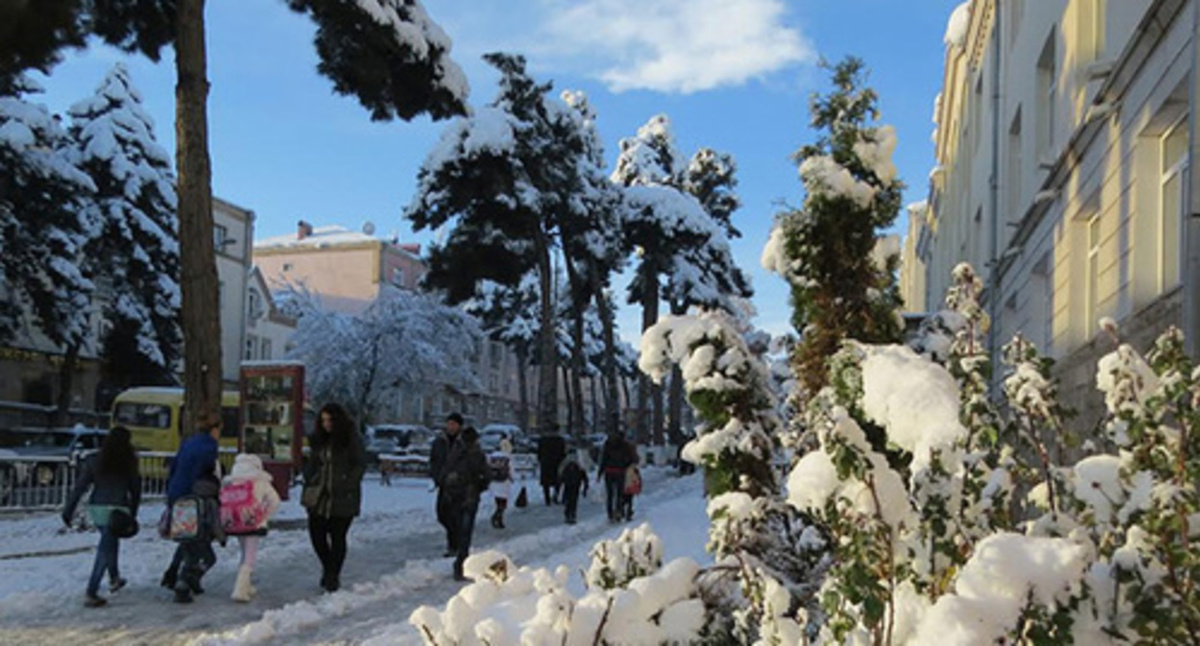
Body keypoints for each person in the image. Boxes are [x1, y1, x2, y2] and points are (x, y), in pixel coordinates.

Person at [62, 426, 141, 608]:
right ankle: (92, 590)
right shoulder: (128, 462)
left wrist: (68, 510)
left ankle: (115, 578)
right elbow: (135, 489)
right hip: (119, 509)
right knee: (106, 548)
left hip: (97, 508)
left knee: (109, 542)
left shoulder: (95, 460)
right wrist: (133, 512)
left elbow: (80, 487)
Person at [301, 403, 366, 593]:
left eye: (330, 420)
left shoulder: (351, 439)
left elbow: (359, 463)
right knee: (317, 536)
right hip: (318, 496)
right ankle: (328, 567)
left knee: (338, 537)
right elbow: (312, 463)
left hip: (343, 497)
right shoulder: (318, 440)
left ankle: (332, 575)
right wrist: (310, 477)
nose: (326, 424)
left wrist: (348, 482)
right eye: (323, 420)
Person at [162, 413, 223, 603]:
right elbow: (209, 474)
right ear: (214, 430)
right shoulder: (209, 447)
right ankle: (185, 581)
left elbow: (175, 468)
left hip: (177, 494)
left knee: (186, 539)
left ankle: (173, 574)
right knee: (200, 545)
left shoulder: (188, 443)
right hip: (195, 498)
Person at [220, 453, 282, 602]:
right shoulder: (260, 481)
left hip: (235, 522)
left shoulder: (232, 480)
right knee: (250, 556)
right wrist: (263, 516)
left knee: (244, 552)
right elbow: (275, 501)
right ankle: (240, 590)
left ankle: (247, 586)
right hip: (253, 523)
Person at [440, 425, 491, 581]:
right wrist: (478, 487)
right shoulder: (478, 454)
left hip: (454, 496)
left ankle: (459, 560)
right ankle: (461, 563)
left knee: (457, 527)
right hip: (470, 497)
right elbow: (486, 476)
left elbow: (444, 472)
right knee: (466, 532)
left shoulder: (455, 453)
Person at [429, 412, 464, 555]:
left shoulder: (464, 442)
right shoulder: (439, 442)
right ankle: (455, 540)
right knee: (442, 515)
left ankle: (454, 545)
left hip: (458, 485)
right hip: (443, 483)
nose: (451, 426)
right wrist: (437, 476)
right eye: (449, 423)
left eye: (454, 424)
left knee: (455, 515)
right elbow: (434, 460)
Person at [597, 433, 634, 523]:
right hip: (620, 472)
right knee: (619, 493)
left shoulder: (608, 444)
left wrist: (600, 472)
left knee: (610, 494)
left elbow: (603, 459)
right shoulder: (625, 446)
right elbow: (630, 459)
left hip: (609, 472)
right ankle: (618, 511)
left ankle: (610, 513)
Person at [488, 437, 514, 529]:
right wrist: (512, 478)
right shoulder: (507, 457)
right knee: (503, 502)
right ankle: (498, 517)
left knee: (498, 501)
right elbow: (511, 470)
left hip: (494, 482)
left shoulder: (493, 456)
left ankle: (498, 517)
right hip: (504, 482)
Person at [536, 430, 566, 505]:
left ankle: (547, 499)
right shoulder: (560, 440)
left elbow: (539, 452)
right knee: (557, 481)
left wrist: (541, 460)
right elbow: (563, 452)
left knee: (546, 482)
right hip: (556, 462)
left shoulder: (543, 440)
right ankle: (555, 496)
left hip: (545, 463)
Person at [558, 449, 588, 525]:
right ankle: (572, 514)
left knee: (568, 498)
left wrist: (559, 484)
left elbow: (560, 473)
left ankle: (567, 514)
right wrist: (585, 486)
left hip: (567, 483)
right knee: (574, 500)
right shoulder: (579, 462)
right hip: (576, 483)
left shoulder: (565, 462)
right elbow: (584, 474)